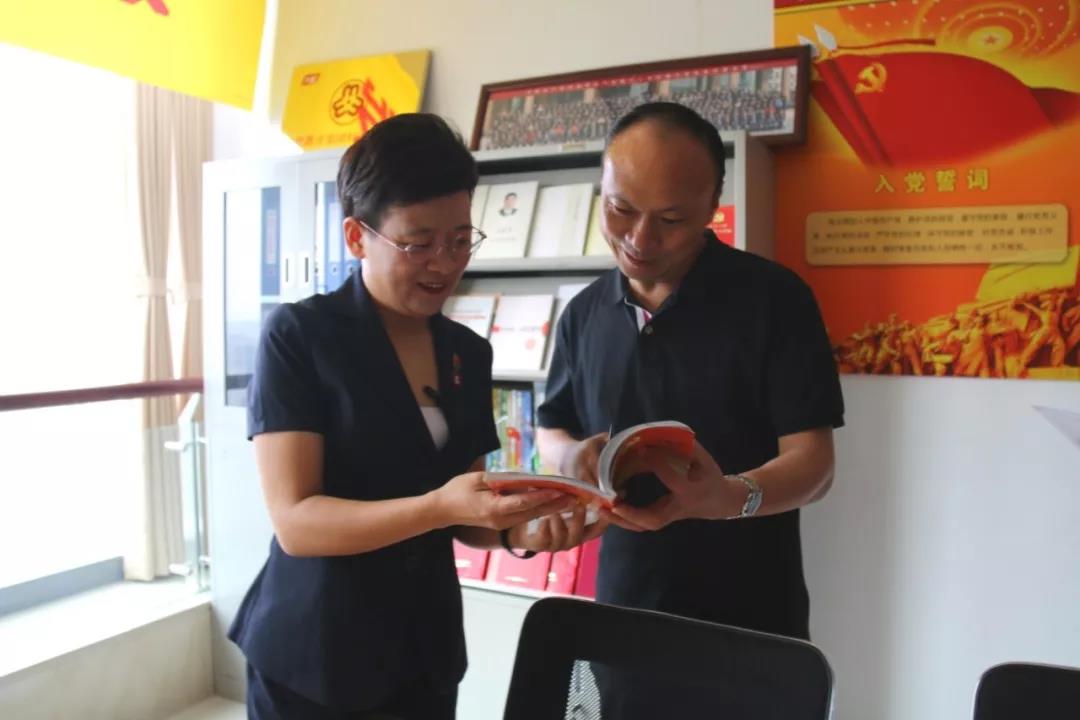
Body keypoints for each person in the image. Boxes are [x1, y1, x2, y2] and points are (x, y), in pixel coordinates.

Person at [230, 113, 595, 720]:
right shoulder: (300, 336)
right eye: (418, 243)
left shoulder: (466, 351)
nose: (444, 263)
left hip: (423, 650)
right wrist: (439, 508)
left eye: (460, 239)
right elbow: (297, 522)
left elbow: (469, 508)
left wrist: (522, 532)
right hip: (318, 654)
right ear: (357, 237)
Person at [536, 102, 844, 717]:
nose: (639, 239)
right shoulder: (584, 314)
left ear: (711, 209)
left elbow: (815, 465)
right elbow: (552, 425)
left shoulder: (774, 300)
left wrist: (728, 496)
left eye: (670, 220)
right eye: (620, 209)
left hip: (751, 621)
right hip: (625, 612)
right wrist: (572, 459)